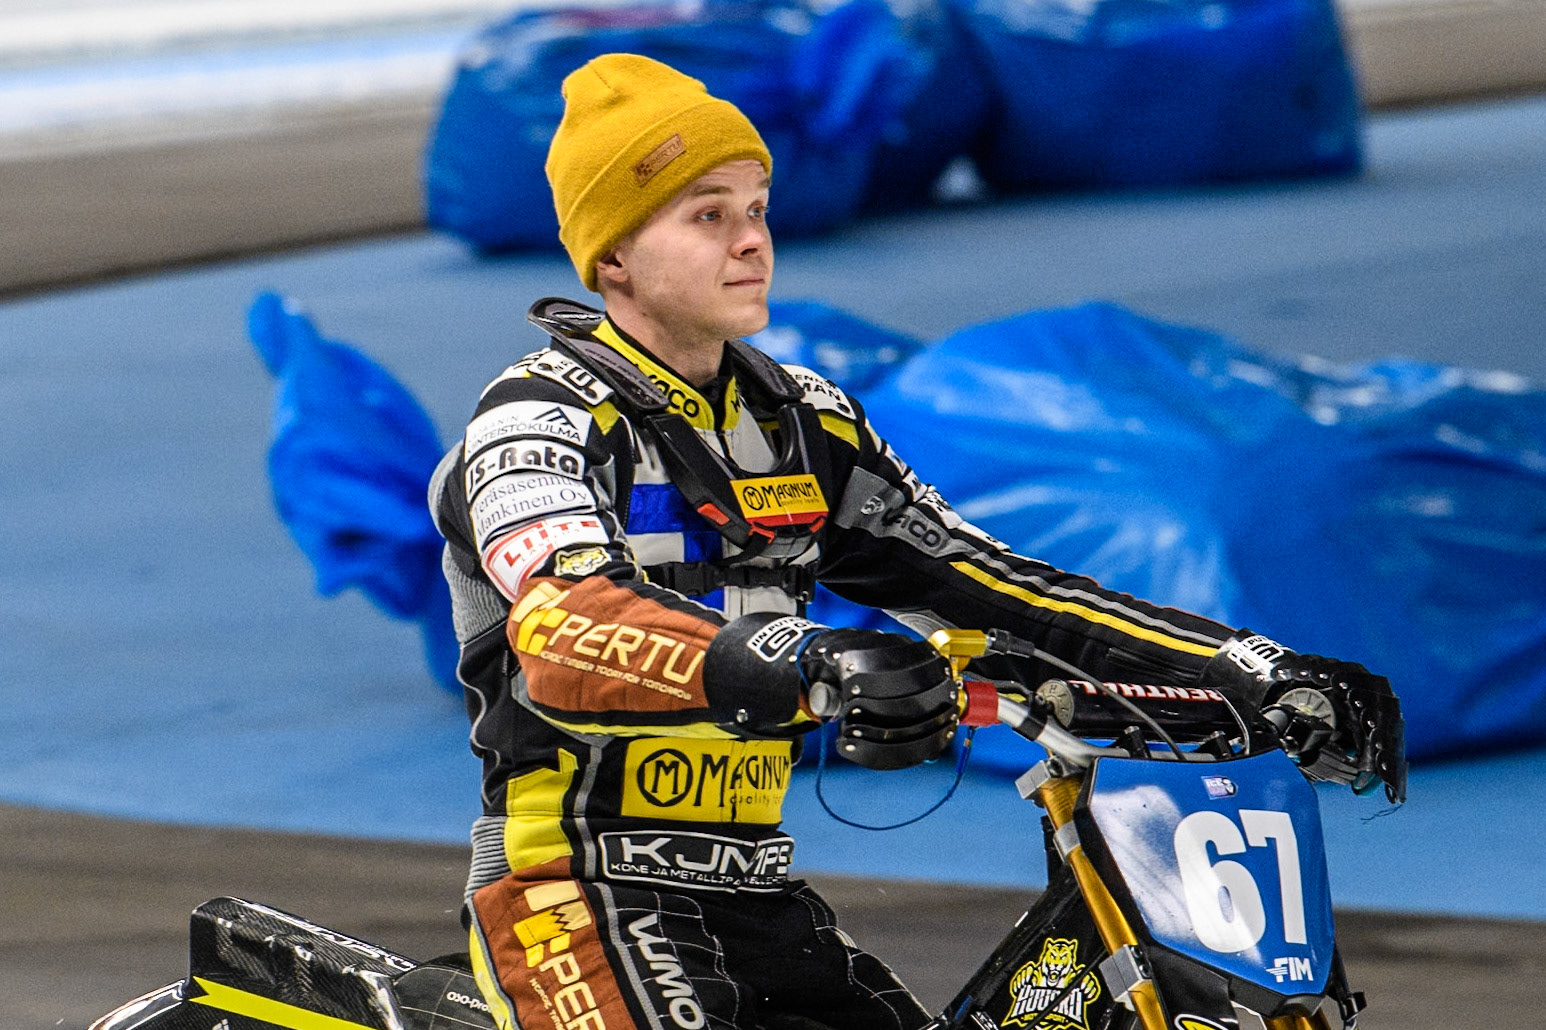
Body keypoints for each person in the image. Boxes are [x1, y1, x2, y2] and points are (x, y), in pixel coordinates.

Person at [429, 53, 1404, 1030]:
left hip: (755, 893)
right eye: (707, 215)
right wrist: (803, 652)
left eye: (757, 207)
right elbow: (562, 626)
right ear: (612, 258)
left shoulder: (805, 420)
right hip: (572, 888)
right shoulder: (537, 418)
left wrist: (1248, 665)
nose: (751, 241)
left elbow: (996, 585)